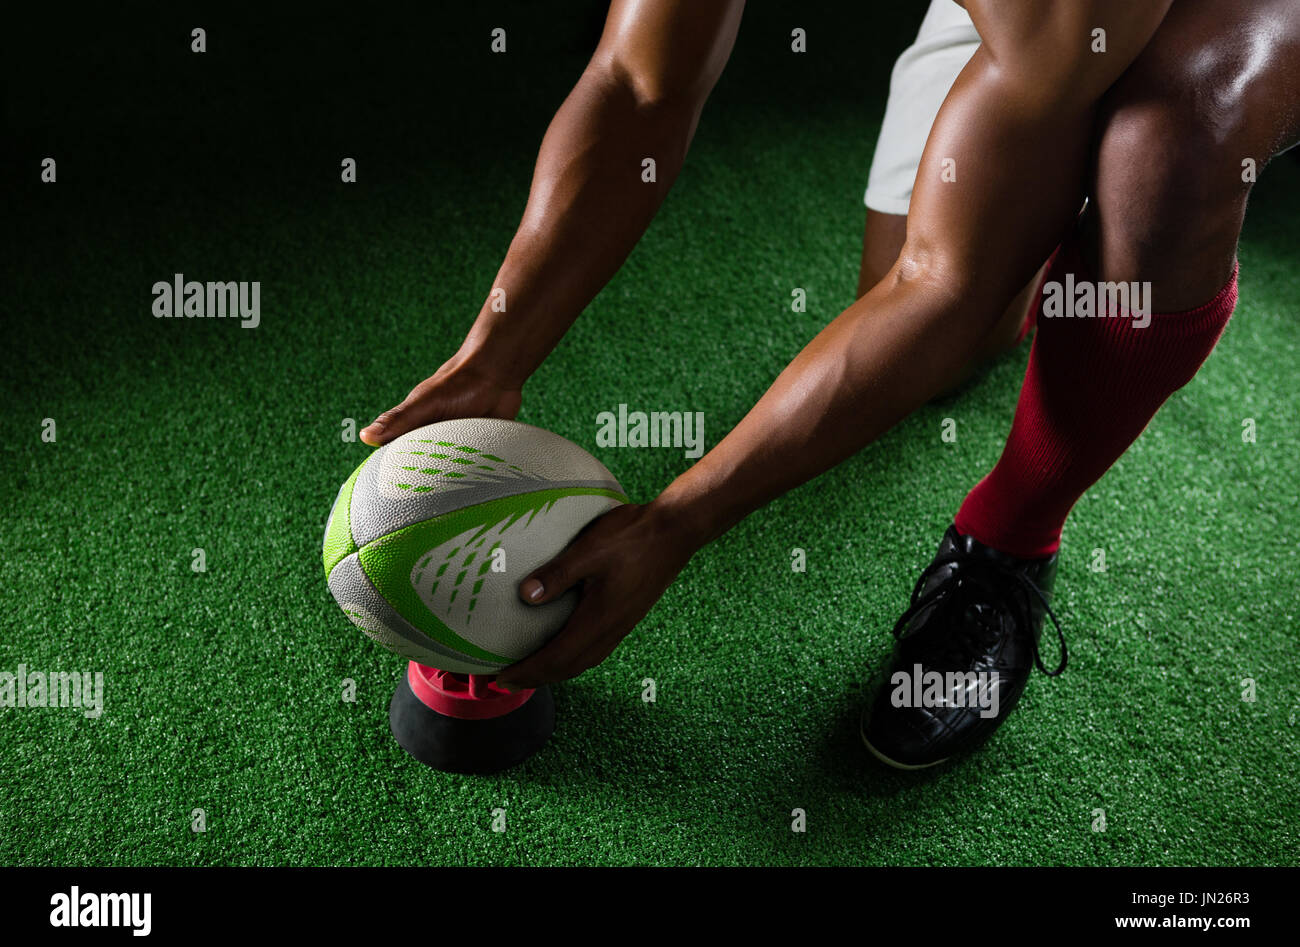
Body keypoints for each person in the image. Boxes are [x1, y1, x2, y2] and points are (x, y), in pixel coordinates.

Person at [360, 0, 1300, 768]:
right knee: (949, 329)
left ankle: (1011, 540)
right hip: (1040, 35)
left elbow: (941, 289)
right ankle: (1050, 145)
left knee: (1170, 141)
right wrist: (496, 351)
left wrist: (675, 522)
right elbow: (640, 83)